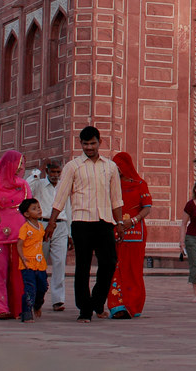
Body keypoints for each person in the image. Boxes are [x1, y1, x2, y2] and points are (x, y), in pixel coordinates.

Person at [46, 125, 124, 323]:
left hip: (105, 220)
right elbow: (61, 197)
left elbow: (116, 198)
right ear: (80, 144)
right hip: (81, 222)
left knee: (109, 263)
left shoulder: (110, 167)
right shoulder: (73, 166)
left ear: (100, 142)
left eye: (92, 143)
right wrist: (52, 223)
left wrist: (120, 222)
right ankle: (85, 310)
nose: (89, 147)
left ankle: (97, 301)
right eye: (85, 144)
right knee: (83, 266)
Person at [0, 150, 32, 319]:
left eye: (22, 164)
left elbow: (29, 209)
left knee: (19, 272)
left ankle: (18, 308)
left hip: (19, 235)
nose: (20, 167)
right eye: (18, 163)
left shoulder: (23, 185)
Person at [107, 152, 153, 318]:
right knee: (116, 267)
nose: (117, 170)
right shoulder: (111, 185)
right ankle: (116, 305)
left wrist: (133, 221)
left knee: (133, 269)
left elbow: (146, 207)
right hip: (115, 231)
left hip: (135, 233)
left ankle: (133, 304)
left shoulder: (140, 184)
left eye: (119, 166)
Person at [29, 158, 71, 312]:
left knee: (60, 263)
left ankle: (58, 300)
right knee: (40, 262)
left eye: (58, 172)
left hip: (60, 225)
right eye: (52, 172)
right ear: (47, 171)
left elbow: (68, 208)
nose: (55, 175)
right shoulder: (39, 184)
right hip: (42, 225)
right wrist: (36, 173)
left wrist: (70, 233)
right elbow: (28, 187)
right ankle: (36, 295)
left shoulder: (63, 186)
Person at [16, 198, 48, 322]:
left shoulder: (40, 226)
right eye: (34, 209)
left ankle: (37, 304)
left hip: (40, 264)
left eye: (38, 207)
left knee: (43, 286)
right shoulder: (25, 228)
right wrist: (22, 257)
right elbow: (19, 244)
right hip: (28, 263)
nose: (38, 210)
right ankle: (26, 312)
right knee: (30, 288)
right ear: (26, 214)